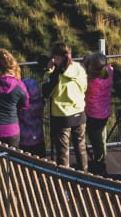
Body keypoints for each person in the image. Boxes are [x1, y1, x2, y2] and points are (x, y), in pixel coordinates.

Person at [41, 40, 89, 170]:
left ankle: (65, 182)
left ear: (56, 57)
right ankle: (85, 178)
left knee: (63, 153)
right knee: (81, 148)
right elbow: (84, 87)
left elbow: (47, 92)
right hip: (80, 113)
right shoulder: (79, 68)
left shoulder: (56, 75)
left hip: (62, 117)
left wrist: (48, 71)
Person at [83, 51, 115, 176]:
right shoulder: (109, 74)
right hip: (105, 112)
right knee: (101, 135)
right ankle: (101, 157)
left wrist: (85, 63)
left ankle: (99, 162)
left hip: (92, 115)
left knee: (95, 139)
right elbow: (110, 68)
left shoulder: (91, 82)